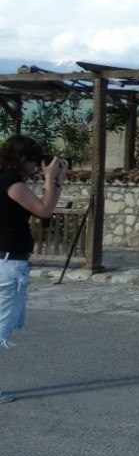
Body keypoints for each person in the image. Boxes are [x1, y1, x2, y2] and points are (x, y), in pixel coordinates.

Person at [0, 135, 68, 404]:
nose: (34, 167)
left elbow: (44, 208)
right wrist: (50, 178)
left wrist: (56, 180)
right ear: (21, 159)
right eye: (32, 160)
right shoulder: (13, 185)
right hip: (9, 265)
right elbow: (44, 210)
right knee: (2, 328)